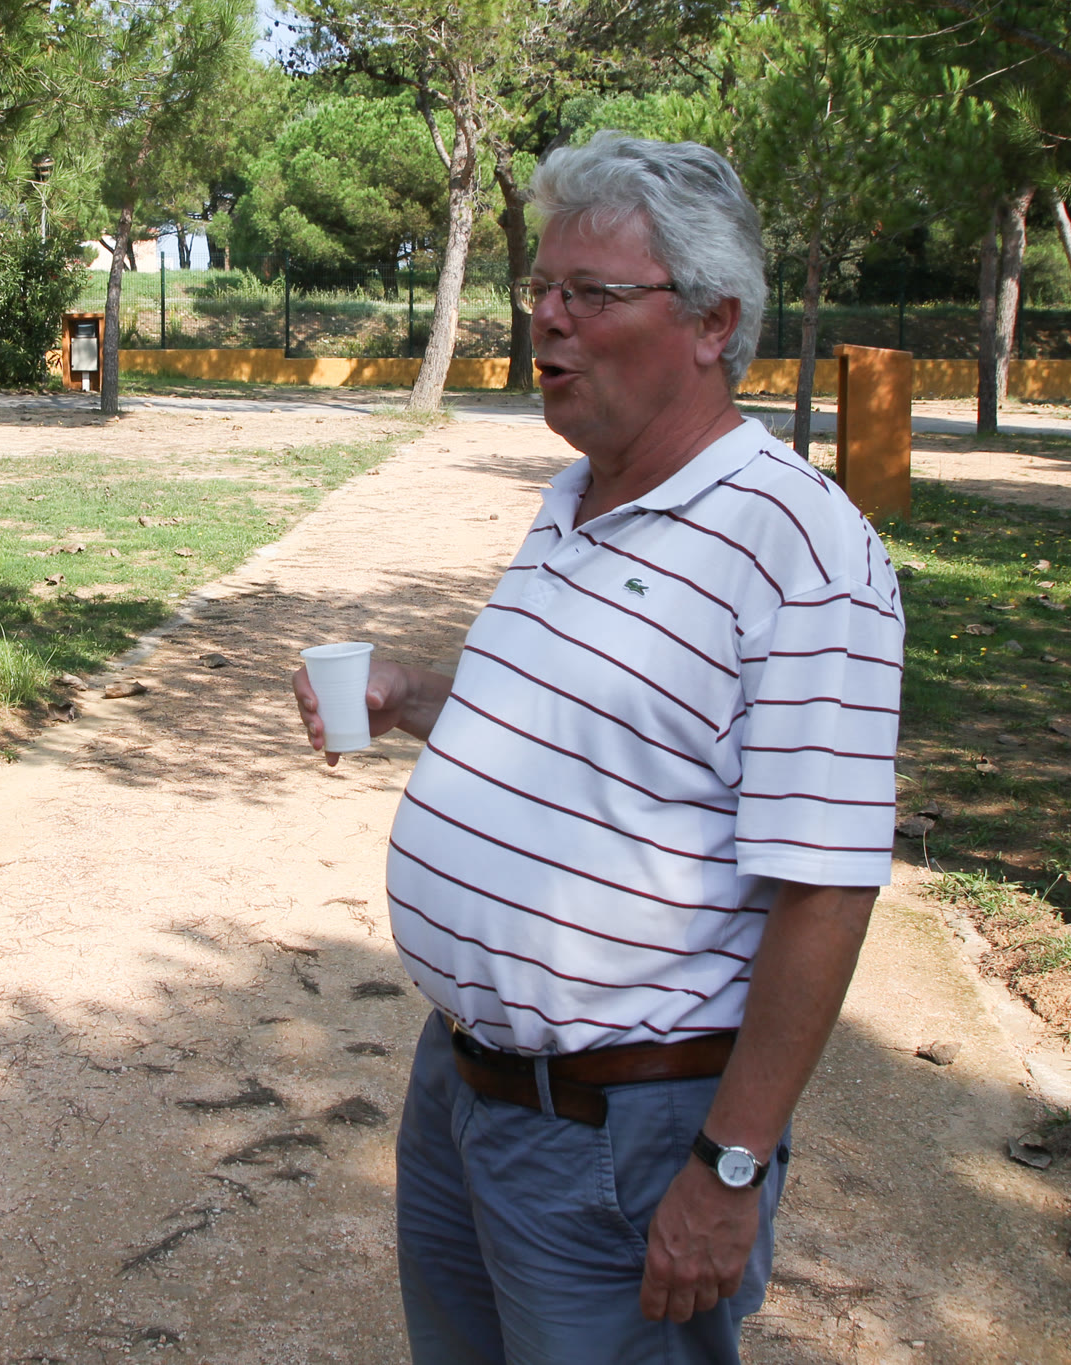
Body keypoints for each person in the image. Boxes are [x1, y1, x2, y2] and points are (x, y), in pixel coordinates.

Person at [292, 131, 903, 1364]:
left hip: (621, 1133)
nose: (546, 320)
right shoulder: (577, 497)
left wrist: (727, 1167)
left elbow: (826, 887)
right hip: (464, 1088)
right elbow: (596, 736)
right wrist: (420, 700)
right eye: (541, 288)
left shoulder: (798, 548)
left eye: (591, 293)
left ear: (711, 322)